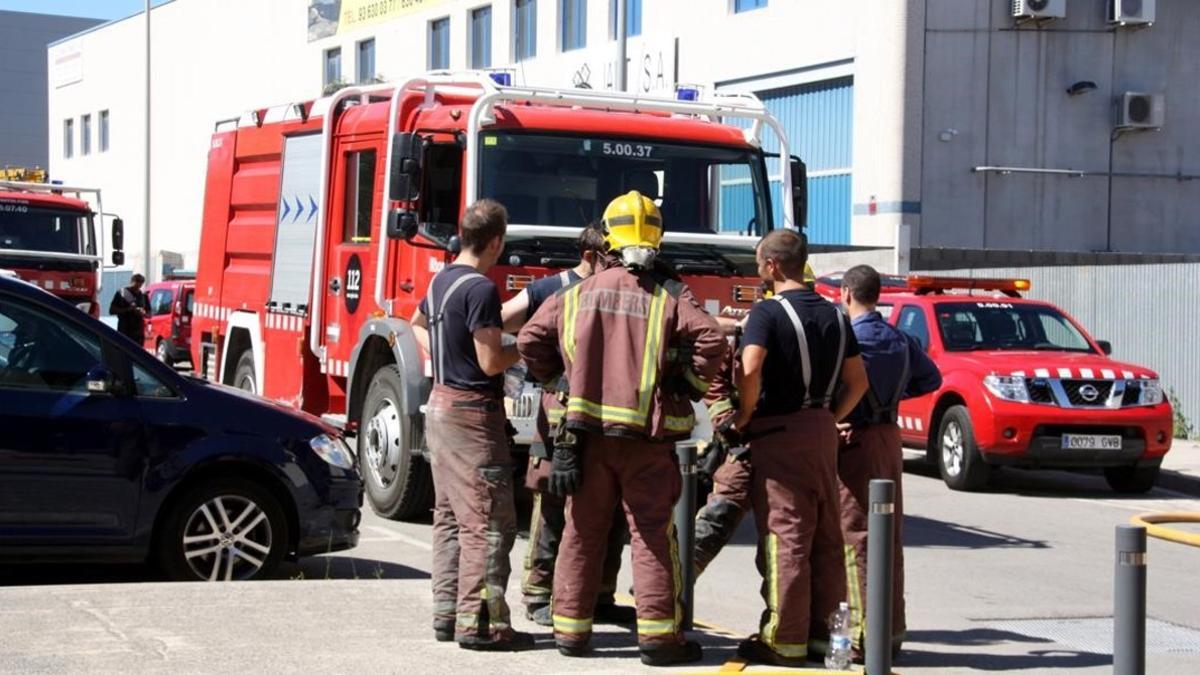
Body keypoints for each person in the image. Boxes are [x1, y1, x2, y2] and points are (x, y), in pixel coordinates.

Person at [517, 191, 725, 666]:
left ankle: (570, 632)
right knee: (652, 536)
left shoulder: (577, 293)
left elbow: (530, 338)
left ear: (610, 236)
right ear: (657, 238)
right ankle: (658, 641)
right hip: (648, 442)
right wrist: (685, 385)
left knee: (581, 531)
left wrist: (560, 381)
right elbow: (711, 339)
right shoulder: (669, 295)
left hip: (585, 440)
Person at [732, 229, 869, 667]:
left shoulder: (766, 313)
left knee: (785, 535)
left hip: (779, 433)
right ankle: (821, 635)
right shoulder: (836, 315)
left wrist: (743, 414)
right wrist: (829, 417)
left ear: (772, 265)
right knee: (827, 537)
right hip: (821, 431)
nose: (758, 270)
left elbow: (750, 369)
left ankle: (784, 639)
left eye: (758, 263)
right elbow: (859, 381)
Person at [409, 199, 533, 651]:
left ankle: (447, 613)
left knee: (449, 517)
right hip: (473, 414)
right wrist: (529, 347)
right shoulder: (480, 289)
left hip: (441, 404)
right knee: (487, 519)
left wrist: (446, 352)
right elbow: (491, 359)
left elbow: (417, 324)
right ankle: (482, 625)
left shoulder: (441, 280)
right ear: (496, 241)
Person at [500, 223, 635, 627]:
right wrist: (547, 372)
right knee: (553, 508)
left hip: (602, 419)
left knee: (608, 512)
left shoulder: (618, 291)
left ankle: (600, 595)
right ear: (594, 255)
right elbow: (505, 321)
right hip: (557, 417)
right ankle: (539, 594)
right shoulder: (551, 289)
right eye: (612, 257)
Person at [836, 264, 942, 659]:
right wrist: (894, 394)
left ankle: (865, 637)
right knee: (889, 535)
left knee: (857, 535)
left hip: (855, 438)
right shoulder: (899, 338)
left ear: (847, 293)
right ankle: (891, 630)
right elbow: (930, 380)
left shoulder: (848, 339)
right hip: (888, 439)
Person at [109, 274, 149, 343]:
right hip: (124, 331)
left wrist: (143, 312)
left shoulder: (143, 296)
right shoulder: (122, 293)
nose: (138, 286)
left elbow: (149, 313)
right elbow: (112, 310)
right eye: (137, 282)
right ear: (132, 282)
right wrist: (127, 309)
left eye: (141, 283)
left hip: (138, 333)